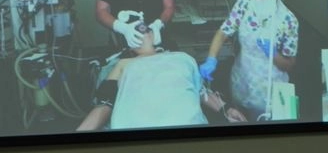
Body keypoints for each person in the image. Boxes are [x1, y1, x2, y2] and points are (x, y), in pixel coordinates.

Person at [76, 23, 247, 131]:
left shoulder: (182, 58)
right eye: (135, 28)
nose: (142, 27)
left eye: (146, 27)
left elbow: (202, 93)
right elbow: (105, 105)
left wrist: (227, 109)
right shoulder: (124, 64)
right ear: (129, 46)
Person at [198, 0, 299, 121]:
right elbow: (223, 32)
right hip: (242, 79)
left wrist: (274, 55)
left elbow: (289, 64)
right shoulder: (244, 5)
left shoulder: (288, 20)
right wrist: (211, 59)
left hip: (268, 88)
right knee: (237, 119)